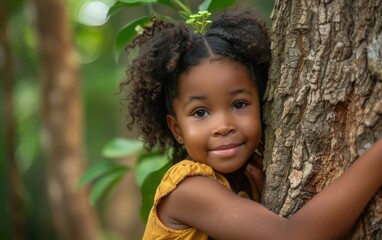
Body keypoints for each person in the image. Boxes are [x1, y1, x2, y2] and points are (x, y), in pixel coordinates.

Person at [120, 7, 382, 240]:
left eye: (239, 104)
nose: (223, 125)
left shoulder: (245, 181)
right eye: (200, 112)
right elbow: (294, 235)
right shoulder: (188, 190)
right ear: (177, 129)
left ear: (265, 104)